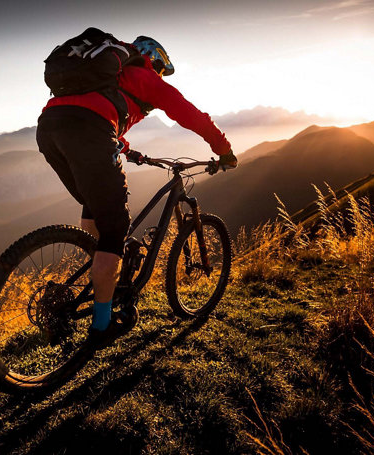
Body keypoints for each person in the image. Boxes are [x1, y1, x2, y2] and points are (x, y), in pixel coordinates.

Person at [36, 35, 237, 347]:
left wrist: (128, 150)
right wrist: (223, 149)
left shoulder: (109, 75)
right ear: (152, 59)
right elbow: (189, 114)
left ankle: (93, 282)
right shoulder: (144, 76)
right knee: (115, 228)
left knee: (98, 210)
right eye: (160, 68)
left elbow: (98, 113)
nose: (158, 75)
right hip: (90, 131)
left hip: (49, 127)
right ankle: (102, 326)